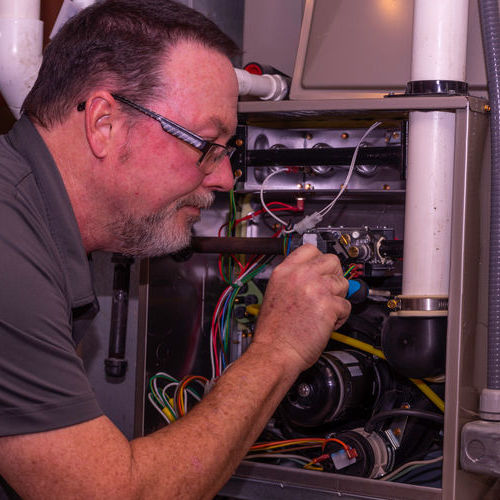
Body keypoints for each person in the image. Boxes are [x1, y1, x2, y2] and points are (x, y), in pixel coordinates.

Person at [0, 0, 350, 498]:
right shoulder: (9, 249)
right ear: (104, 123)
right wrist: (279, 348)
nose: (225, 178)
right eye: (206, 143)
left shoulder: (27, 216)